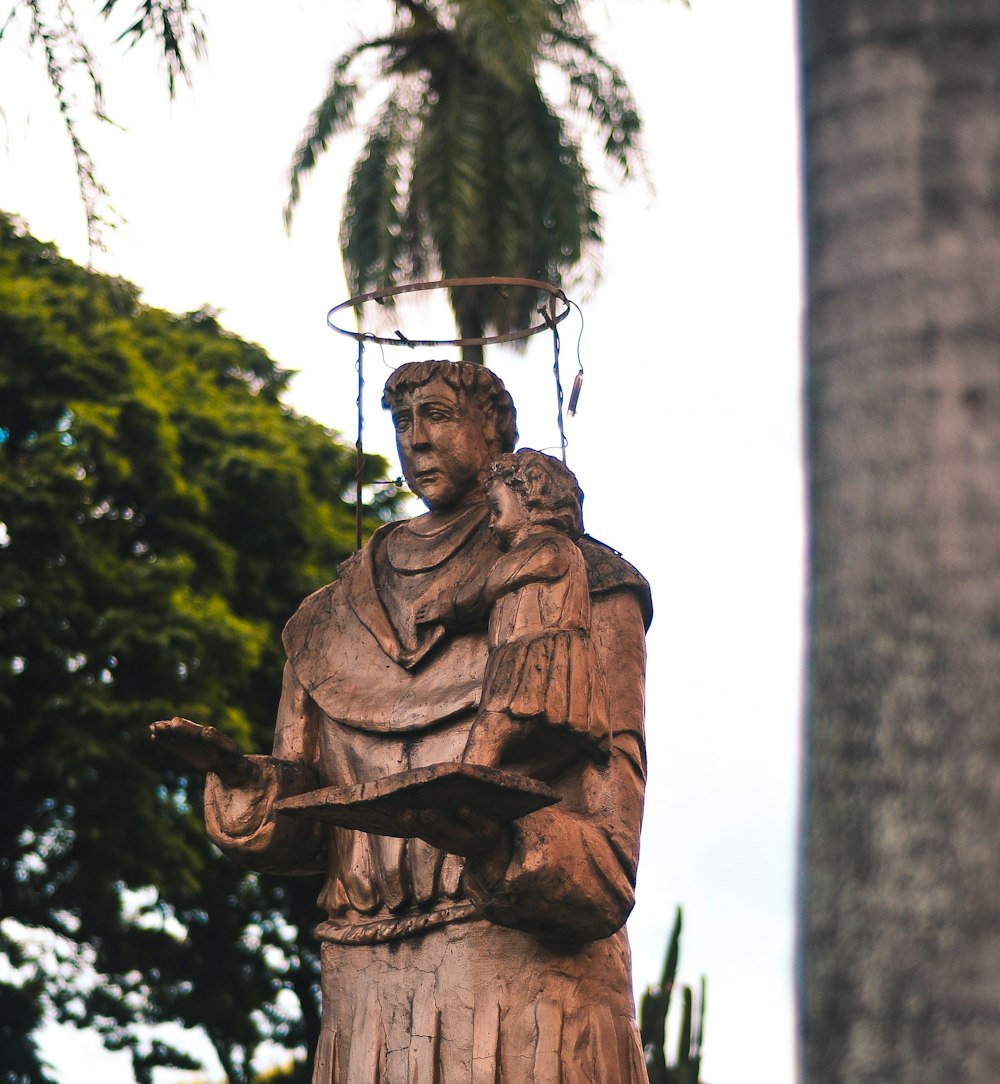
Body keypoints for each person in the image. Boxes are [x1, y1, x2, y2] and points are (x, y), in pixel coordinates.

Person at [152, 360, 652, 1084]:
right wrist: (246, 787)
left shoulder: (584, 583)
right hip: (366, 999)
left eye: (439, 416)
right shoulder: (324, 622)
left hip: (529, 1002)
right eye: (402, 420)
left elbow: (609, 855)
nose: (416, 440)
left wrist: (499, 838)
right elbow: (310, 830)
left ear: (495, 430)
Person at [417, 448, 610, 776]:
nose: (491, 523)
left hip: (536, 657)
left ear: (531, 504)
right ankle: (501, 785)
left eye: (496, 510)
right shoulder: (545, 549)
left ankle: (469, 785)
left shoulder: (550, 547)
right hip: (527, 655)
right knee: (526, 742)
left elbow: (488, 587)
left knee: (490, 728)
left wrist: (443, 606)